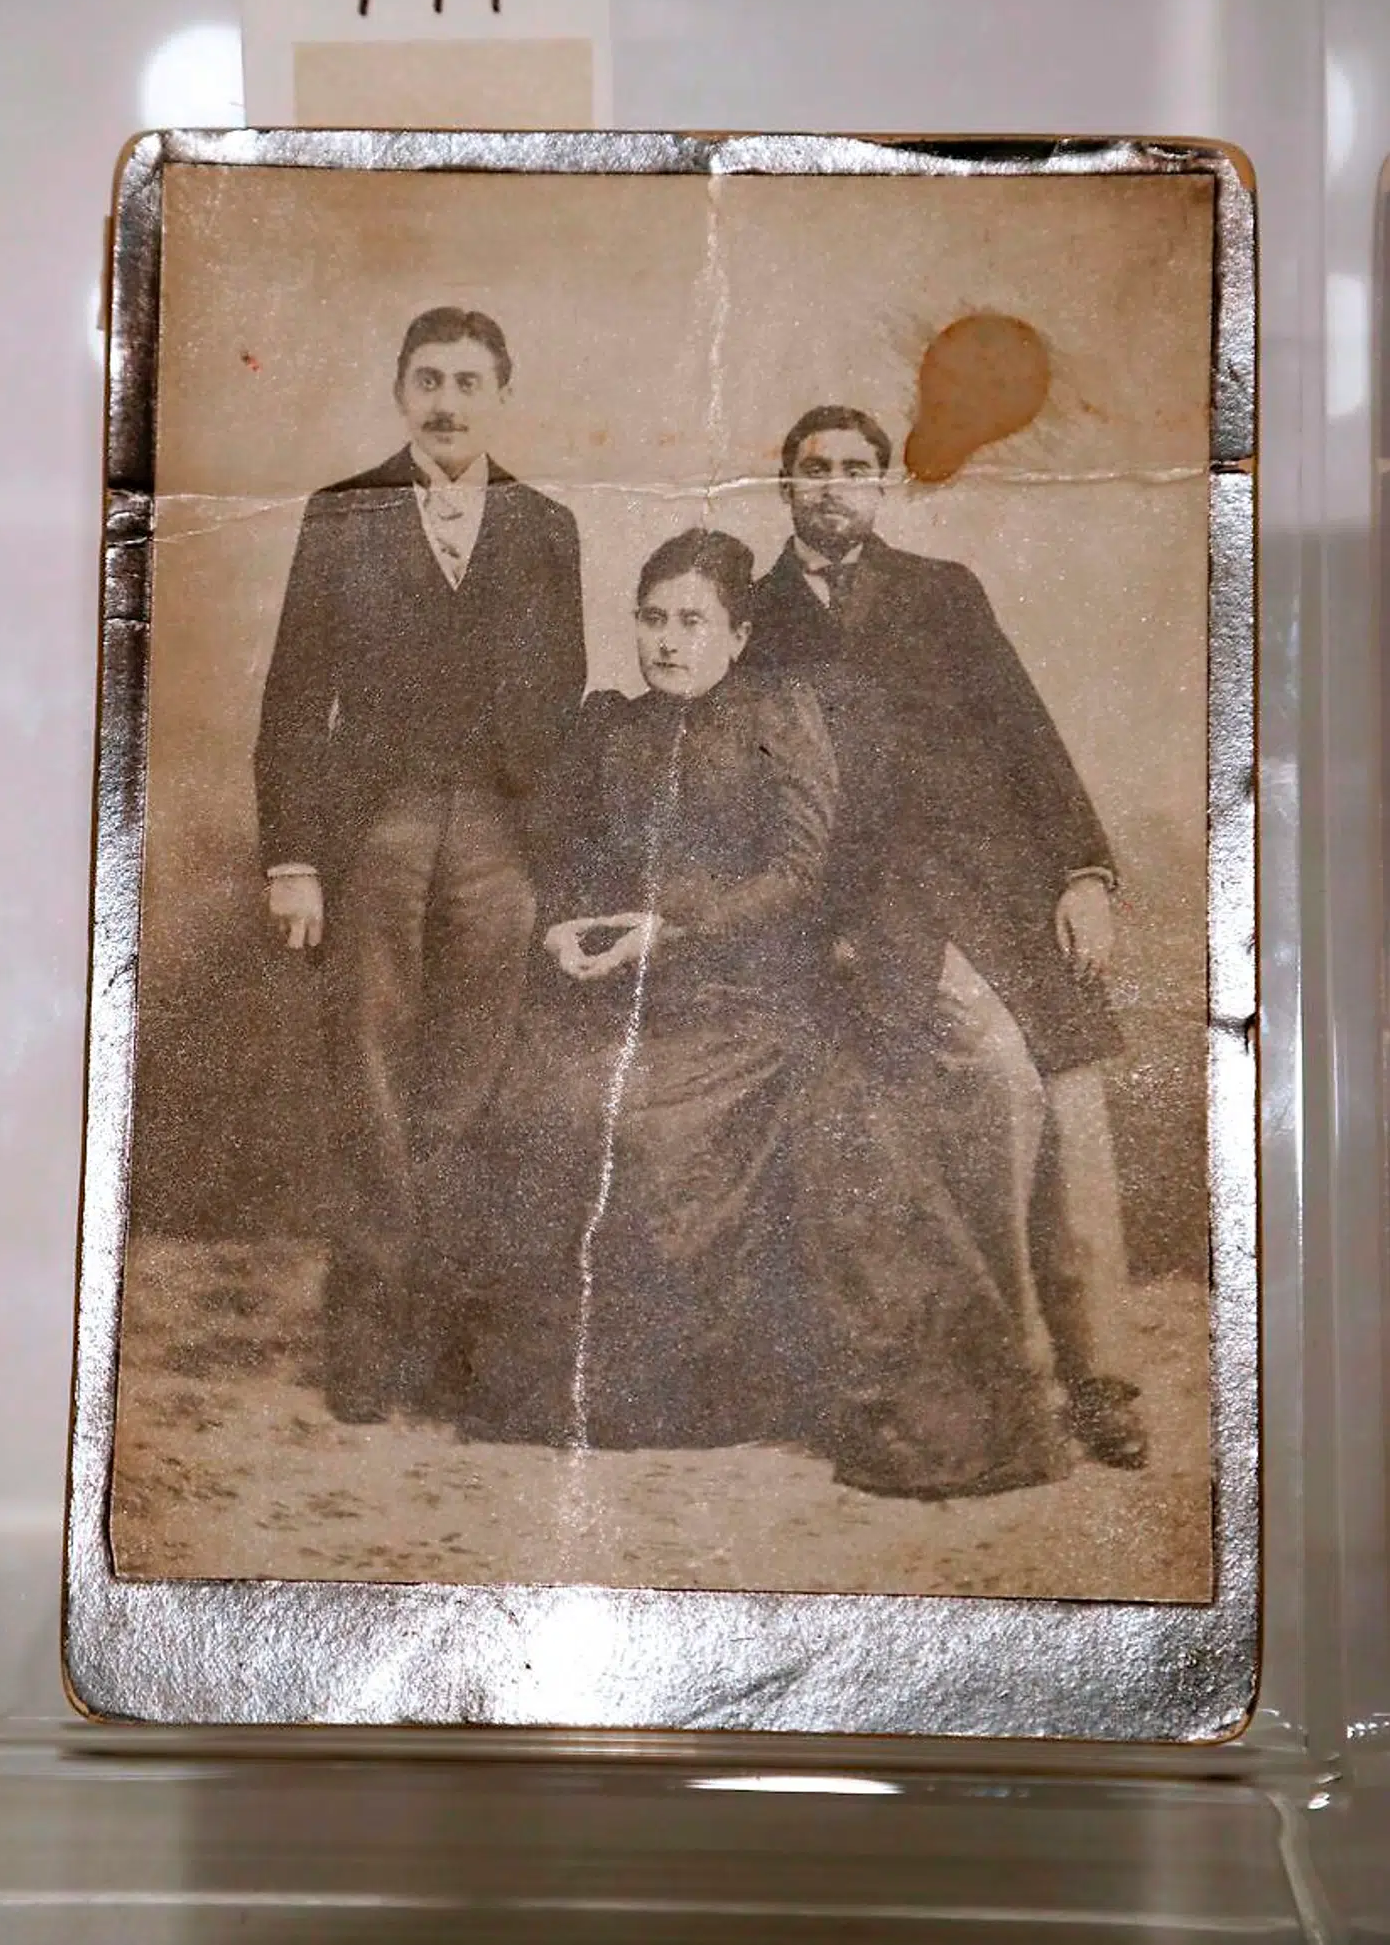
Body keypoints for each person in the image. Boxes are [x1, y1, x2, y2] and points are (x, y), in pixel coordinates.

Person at [469, 529, 1060, 1500]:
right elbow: (571, 854)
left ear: (738, 635)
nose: (668, 640)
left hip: (759, 996)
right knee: (552, 1102)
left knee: (741, 1139)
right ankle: (600, 1394)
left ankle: (762, 1393)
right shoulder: (611, 724)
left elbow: (798, 872)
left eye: (691, 620)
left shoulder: (781, 714)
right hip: (632, 992)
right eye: (652, 617)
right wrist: (562, 930)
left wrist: (676, 926)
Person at [745, 405, 1146, 1471]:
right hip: (869, 909)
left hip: (1000, 880)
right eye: (814, 467)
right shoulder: (753, 616)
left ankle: (1101, 1375)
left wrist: (1083, 873)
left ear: (882, 485)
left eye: (855, 468)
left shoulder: (943, 592)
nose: (834, 485)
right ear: (784, 485)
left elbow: (1027, 733)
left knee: (1075, 1092)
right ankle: (1016, 1370)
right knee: (1004, 1077)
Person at [254, 305, 585, 1423]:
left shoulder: (547, 526)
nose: (446, 401)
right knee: (372, 1077)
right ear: (400, 390)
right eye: (428, 379)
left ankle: (447, 1344)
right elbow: (298, 695)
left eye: (468, 381)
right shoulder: (343, 512)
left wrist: (560, 858)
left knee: (475, 1076)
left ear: (501, 394)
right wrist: (295, 855)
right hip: (377, 828)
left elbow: (563, 708)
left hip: (499, 832)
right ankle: (366, 1341)